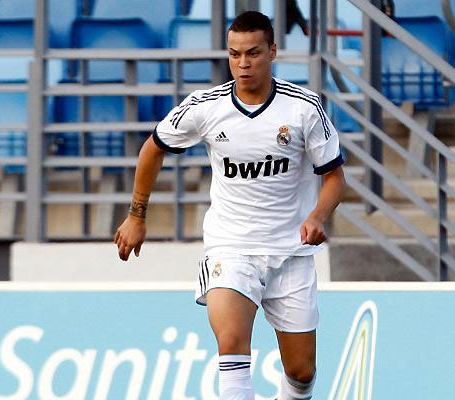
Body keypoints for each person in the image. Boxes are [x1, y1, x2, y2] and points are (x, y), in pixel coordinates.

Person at [114, 11, 345, 400]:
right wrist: (137, 214)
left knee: (302, 375)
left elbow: (335, 177)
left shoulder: (303, 108)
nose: (243, 63)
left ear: (273, 51)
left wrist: (319, 215)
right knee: (232, 343)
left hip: (291, 251)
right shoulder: (205, 106)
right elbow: (153, 148)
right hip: (231, 247)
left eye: (253, 53)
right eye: (235, 54)